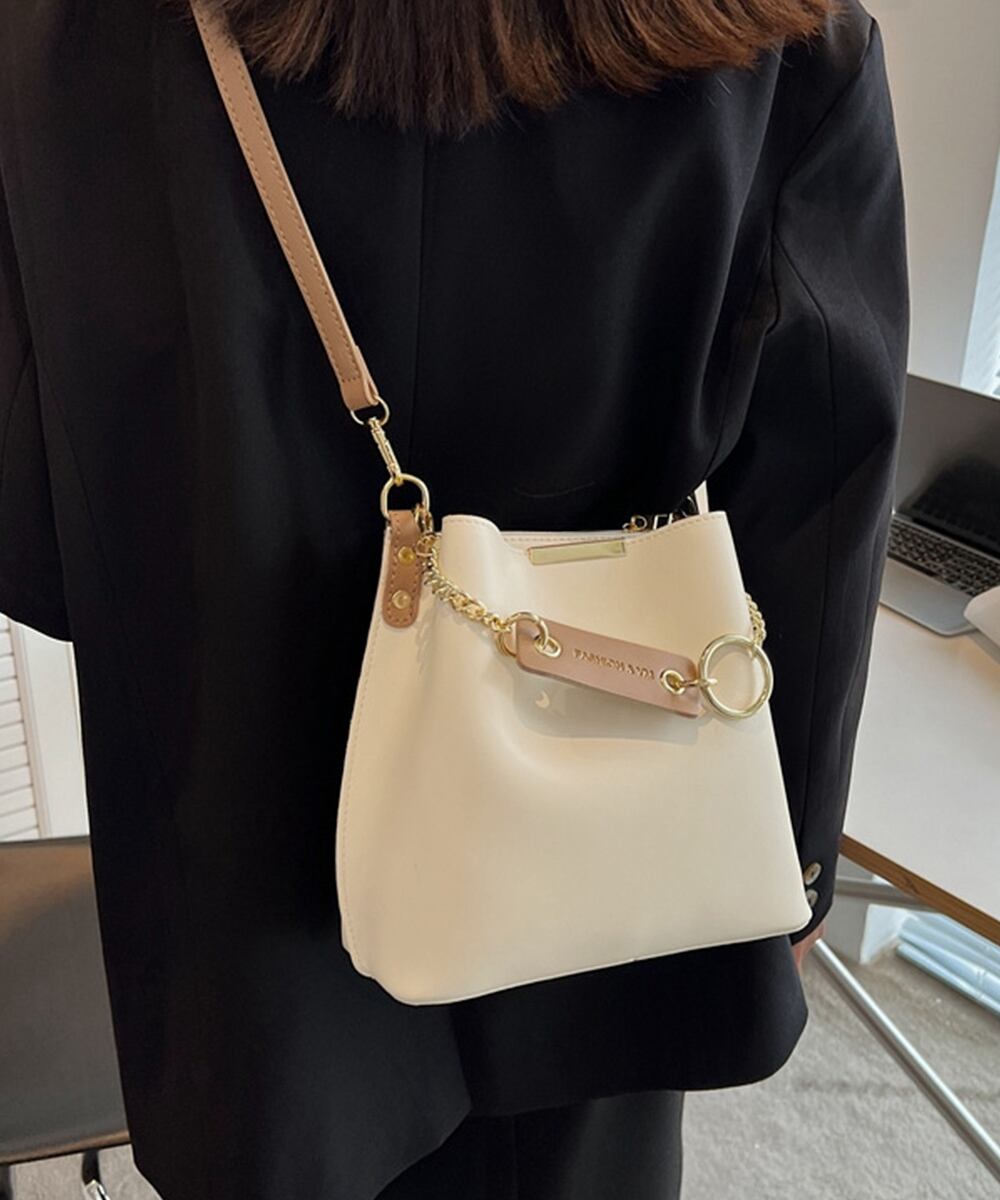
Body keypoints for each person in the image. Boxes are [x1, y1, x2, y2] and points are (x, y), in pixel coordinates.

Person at [0, 0, 906, 1194]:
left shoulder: (62, 34)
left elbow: (37, 538)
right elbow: (822, 491)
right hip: (608, 785)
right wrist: (792, 853)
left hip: (240, 837)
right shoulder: (781, 37)